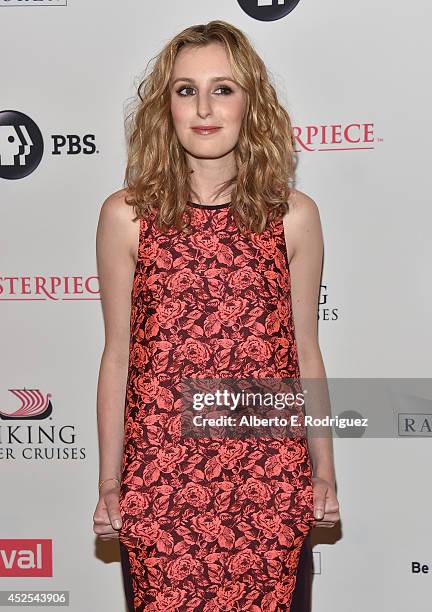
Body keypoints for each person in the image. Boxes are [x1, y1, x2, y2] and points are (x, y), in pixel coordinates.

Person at [92, 20, 340, 611]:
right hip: (161, 479)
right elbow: (119, 355)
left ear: (251, 101)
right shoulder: (126, 216)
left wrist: (322, 469)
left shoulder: (293, 216)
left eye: (223, 88)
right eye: (185, 90)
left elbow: (303, 351)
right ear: (165, 106)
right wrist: (109, 481)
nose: (204, 107)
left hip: (268, 478)